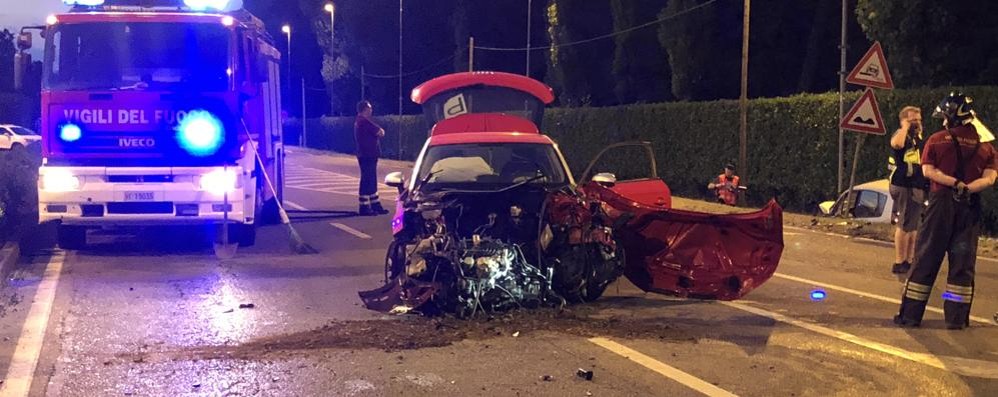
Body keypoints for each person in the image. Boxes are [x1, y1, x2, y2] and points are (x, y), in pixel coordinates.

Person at [895, 93, 998, 330]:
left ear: (951, 117)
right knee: (963, 260)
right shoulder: (986, 147)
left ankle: (910, 316)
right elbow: (990, 178)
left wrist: (953, 183)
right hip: (969, 207)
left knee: (927, 255)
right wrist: (968, 188)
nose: (942, 122)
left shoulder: (937, 140)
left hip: (941, 204)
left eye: (944, 117)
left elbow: (929, 171)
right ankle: (957, 319)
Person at [888, 106, 928, 274]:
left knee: (913, 226)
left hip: (915, 185)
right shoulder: (900, 135)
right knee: (904, 225)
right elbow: (897, 144)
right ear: (904, 120)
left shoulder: (916, 138)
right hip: (903, 184)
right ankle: (899, 261)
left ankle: (909, 259)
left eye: (919, 119)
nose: (917, 123)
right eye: (913, 120)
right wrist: (905, 127)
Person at [354, 101, 389, 216]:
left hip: (367, 155)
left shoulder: (360, 121)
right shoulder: (364, 121)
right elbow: (380, 132)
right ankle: (364, 207)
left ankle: (375, 204)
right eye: (370, 108)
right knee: (367, 180)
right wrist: (380, 132)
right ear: (365, 109)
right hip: (367, 155)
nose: (371, 110)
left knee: (371, 180)